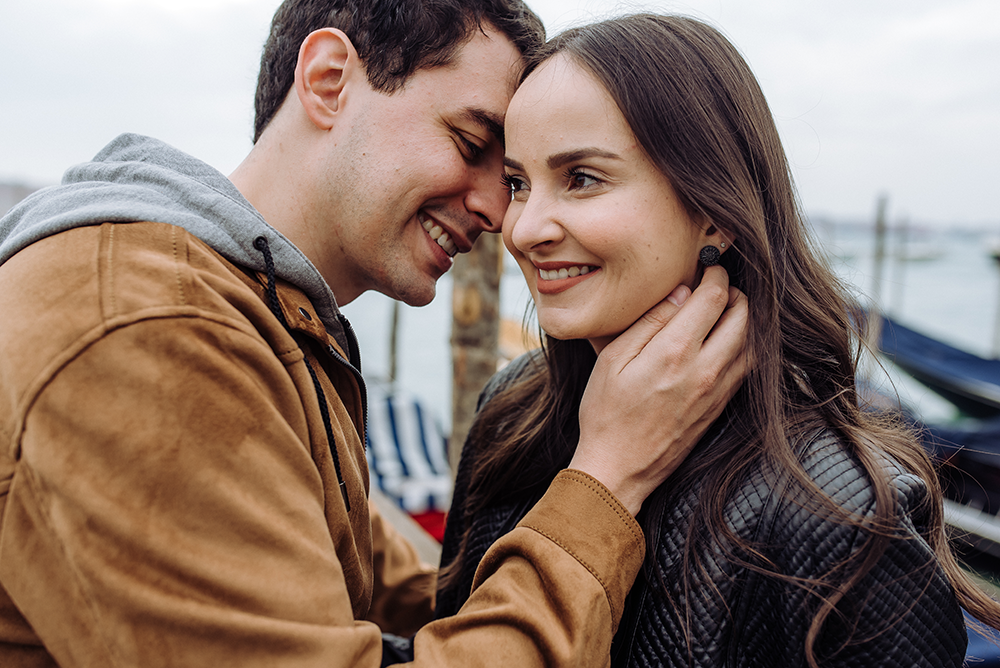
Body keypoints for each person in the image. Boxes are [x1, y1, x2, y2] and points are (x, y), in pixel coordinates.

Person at [0, 1, 749, 666]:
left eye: (511, 177)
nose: (501, 213)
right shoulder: (150, 327)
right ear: (329, 80)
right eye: (468, 142)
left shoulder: (256, 312)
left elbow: (393, 590)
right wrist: (610, 474)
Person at [435, 13, 1000, 668]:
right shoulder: (511, 414)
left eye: (583, 178)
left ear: (713, 213)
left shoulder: (843, 520)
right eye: (517, 184)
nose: (525, 229)